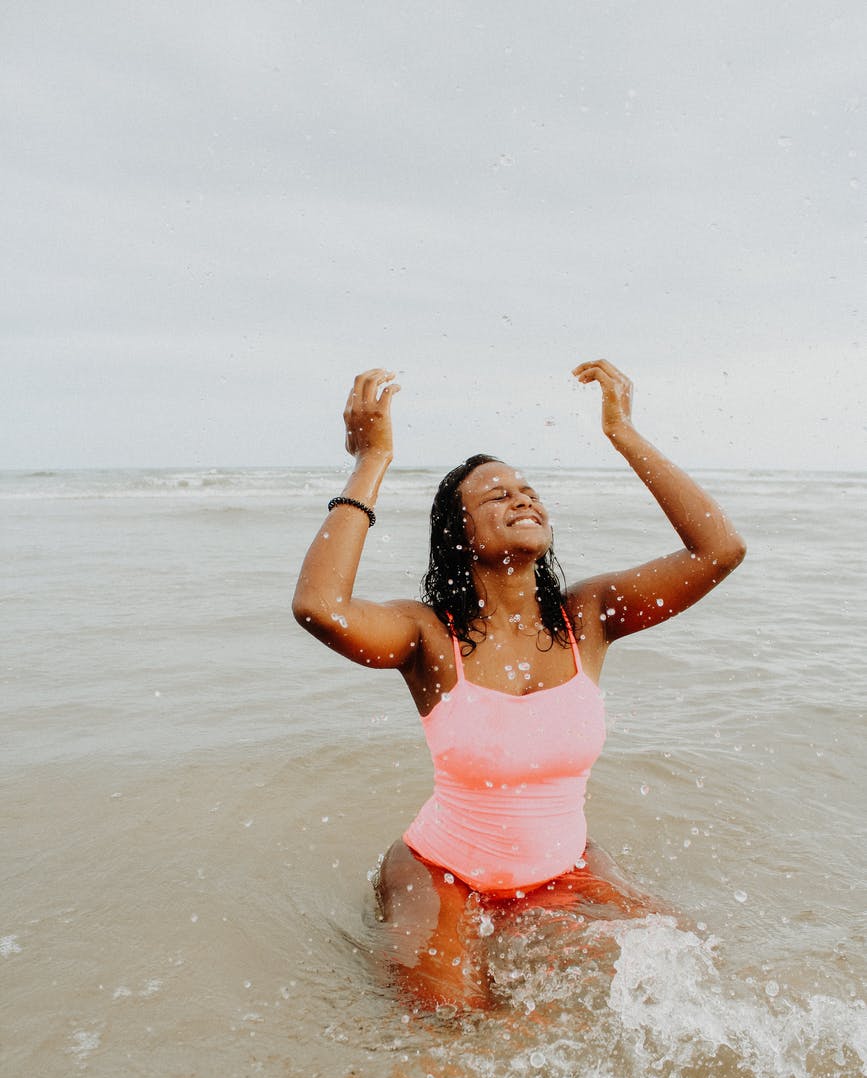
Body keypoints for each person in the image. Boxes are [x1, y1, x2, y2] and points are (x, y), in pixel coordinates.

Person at [292, 359, 746, 1011]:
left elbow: (717, 551)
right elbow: (320, 608)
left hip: (562, 865)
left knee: (696, 969)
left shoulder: (585, 616)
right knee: (454, 1032)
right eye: (496, 496)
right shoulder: (426, 635)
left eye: (527, 490)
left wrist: (622, 433)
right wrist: (371, 459)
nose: (521, 499)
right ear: (460, 533)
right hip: (441, 873)